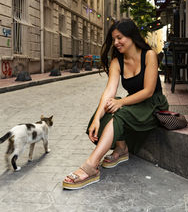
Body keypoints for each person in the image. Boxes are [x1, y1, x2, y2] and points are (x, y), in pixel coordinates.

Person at [63, 18, 169, 190]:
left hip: (152, 104)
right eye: (113, 39)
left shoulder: (149, 55)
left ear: (131, 36)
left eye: (120, 38)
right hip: (133, 103)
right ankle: (121, 149)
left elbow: (148, 91)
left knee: (120, 110)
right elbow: (109, 92)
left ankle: (90, 166)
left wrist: (121, 103)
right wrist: (97, 118)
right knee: (108, 107)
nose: (116, 43)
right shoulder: (117, 62)